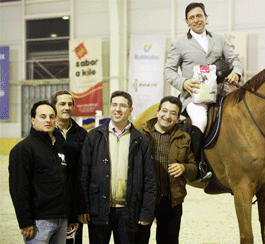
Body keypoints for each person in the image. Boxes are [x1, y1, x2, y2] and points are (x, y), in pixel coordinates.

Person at [163, 2, 243, 180]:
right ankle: (196, 164)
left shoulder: (219, 39)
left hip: (220, 92)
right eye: (192, 18)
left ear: (205, 18)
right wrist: (183, 82)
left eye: (199, 16)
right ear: (187, 22)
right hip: (194, 96)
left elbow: (235, 60)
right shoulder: (179, 43)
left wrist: (236, 72)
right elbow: (168, 71)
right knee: (200, 119)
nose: (196, 20)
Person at [77, 91, 156, 244]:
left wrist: (146, 212)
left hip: (129, 211)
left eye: (123, 105)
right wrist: (83, 208)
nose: (117, 109)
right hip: (98, 209)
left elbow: (149, 179)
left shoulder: (141, 141)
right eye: (114, 105)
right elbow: (83, 174)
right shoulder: (93, 136)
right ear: (110, 108)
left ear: (130, 110)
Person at [9, 101, 74, 243]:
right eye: (43, 116)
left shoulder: (59, 147)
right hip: (39, 222)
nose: (48, 120)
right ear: (33, 120)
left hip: (61, 220)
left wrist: (70, 216)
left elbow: (67, 183)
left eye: (51, 117)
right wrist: (25, 221)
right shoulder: (24, 149)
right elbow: (18, 188)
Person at [138, 96, 198, 244]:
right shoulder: (140, 134)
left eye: (173, 113)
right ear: (157, 112)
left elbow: (194, 168)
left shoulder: (184, 138)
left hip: (171, 200)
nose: (167, 116)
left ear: (177, 118)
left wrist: (184, 168)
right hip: (143, 199)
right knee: (138, 240)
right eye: (164, 111)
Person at [51, 90, 88, 243]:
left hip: (75, 204)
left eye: (69, 104)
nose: (66, 107)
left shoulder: (82, 135)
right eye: (62, 104)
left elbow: (85, 172)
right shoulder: (46, 133)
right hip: (51, 205)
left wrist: (82, 207)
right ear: (54, 107)